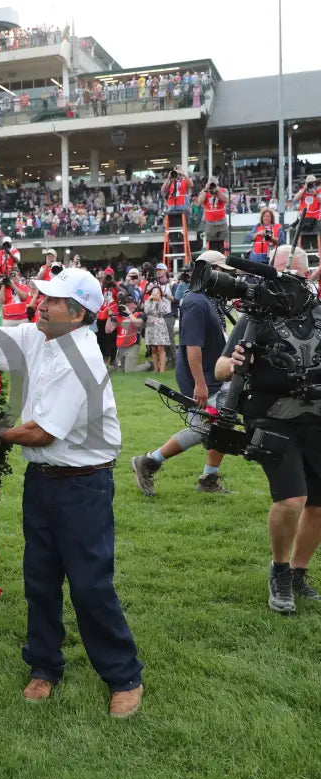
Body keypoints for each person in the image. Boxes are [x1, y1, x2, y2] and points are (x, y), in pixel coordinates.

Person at [0, 267, 144, 717]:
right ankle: (44, 665)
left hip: (83, 486)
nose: (41, 305)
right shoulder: (39, 335)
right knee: (40, 580)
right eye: (43, 297)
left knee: (90, 585)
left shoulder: (81, 358)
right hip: (44, 481)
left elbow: (40, 434)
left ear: (78, 314)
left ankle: (124, 676)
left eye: (53, 301)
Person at [214, 244, 321, 614]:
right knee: (291, 499)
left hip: (317, 418)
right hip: (272, 417)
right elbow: (220, 369)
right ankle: (279, 569)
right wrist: (235, 362)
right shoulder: (257, 315)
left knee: (318, 505)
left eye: (288, 275)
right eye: (274, 273)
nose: (279, 282)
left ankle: (298, 572)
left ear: (306, 275)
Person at [131, 251, 230, 497]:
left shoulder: (209, 299)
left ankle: (208, 478)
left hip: (214, 375)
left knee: (223, 426)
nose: (227, 277)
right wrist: (200, 383)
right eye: (222, 271)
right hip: (202, 377)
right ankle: (149, 461)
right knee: (201, 429)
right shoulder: (196, 301)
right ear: (208, 271)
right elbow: (192, 346)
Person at [196, 175, 229, 251]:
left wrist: (218, 191)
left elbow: (226, 200)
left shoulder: (223, 190)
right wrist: (206, 189)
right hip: (209, 222)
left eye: (215, 184)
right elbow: (199, 202)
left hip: (222, 222)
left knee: (224, 243)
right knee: (211, 244)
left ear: (218, 184)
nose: (213, 186)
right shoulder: (204, 192)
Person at [143, 285, 171, 373]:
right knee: (153, 348)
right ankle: (155, 369)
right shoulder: (148, 302)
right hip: (150, 324)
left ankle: (162, 369)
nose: (155, 293)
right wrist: (150, 300)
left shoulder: (164, 302)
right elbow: (146, 311)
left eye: (157, 292)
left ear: (160, 293)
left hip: (160, 325)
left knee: (161, 348)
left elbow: (165, 311)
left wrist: (159, 301)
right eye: (153, 291)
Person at [292, 174, 319, 253]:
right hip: (303, 220)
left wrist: (315, 194)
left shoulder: (318, 191)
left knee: (316, 242)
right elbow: (295, 199)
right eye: (310, 183)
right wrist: (304, 189)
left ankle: (316, 258)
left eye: (313, 183)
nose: (312, 185)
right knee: (304, 242)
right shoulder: (302, 191)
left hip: (315, 220)